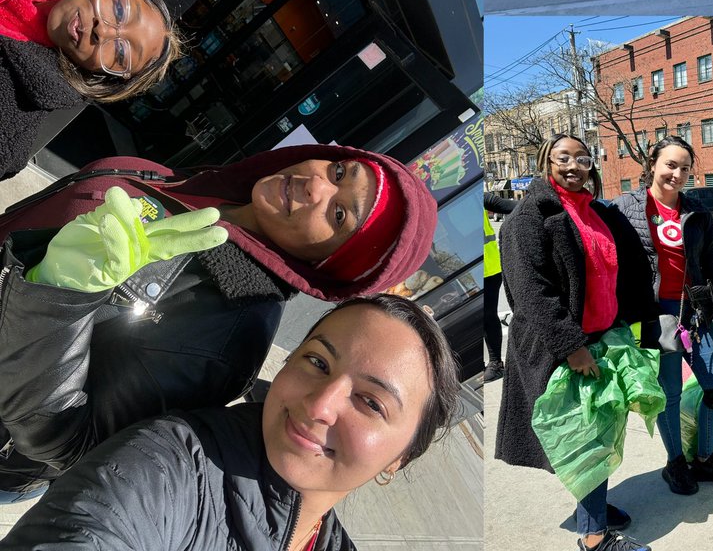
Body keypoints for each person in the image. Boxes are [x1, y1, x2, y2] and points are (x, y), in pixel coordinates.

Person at [0, 142, 436, 502]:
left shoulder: (230, 329)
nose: (316, 185)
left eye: (339, 215)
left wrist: (60, 291)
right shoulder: (200, 185)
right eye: (340, 171)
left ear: (330, 263)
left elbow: (67, 442)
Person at [1, 293, 461, 549]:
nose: (320, 405)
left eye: (371, 402)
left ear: (400, 458)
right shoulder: (170, 465)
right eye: (318, 362)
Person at [495, 133, 659, 551]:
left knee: (601, 428)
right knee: (586, 437)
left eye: (582, 158)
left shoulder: (594, 211)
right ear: (546, 161)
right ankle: (594, 537)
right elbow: (531, 291)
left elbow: (620, 268)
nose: (573, 165)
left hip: (602, 336)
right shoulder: (529, 216)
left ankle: (594, 509)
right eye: (563, 157)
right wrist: (571, 346)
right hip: (563, 347)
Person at [613, 135, 713, 496]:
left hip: (696, 313)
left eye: (685, 168)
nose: (677, 174)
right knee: (669, 393)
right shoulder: (625, 207)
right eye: (670, 165)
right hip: (654, 316)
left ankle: (705, 458)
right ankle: (675, 464)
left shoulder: (697, 213)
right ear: (652, 163)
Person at [0, 0, 179, 181]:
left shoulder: (9, 129)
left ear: (102, 74)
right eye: (119, 10)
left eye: (120, 52)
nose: (102, 30)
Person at [483, 188, 516, 382]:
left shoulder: (479, 198)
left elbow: (508, 206)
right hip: (475, 270)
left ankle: (496, 363)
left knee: (487, 316)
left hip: (489, 269)